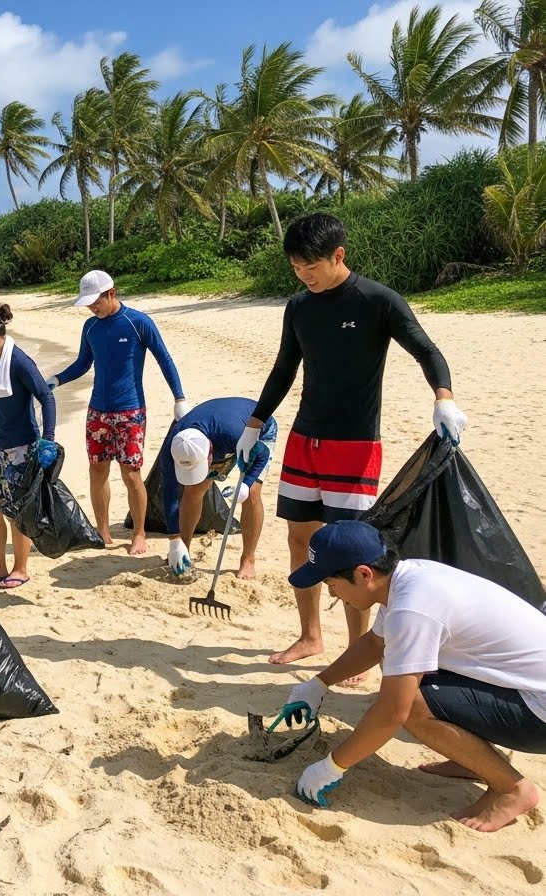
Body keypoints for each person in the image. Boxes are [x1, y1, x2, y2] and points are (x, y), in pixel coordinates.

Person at [236, 213, 467, 671]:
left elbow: (427, 350)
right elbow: (285, 368)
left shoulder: (377, 301)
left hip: (355, 444)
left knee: (349, 548)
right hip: (305, 438)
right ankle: (309, 637)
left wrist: (444, 397)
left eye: (311, 267)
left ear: (338, 256)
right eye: (296, 268)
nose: (304, 276)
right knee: (299, 536)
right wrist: (255, 421)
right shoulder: (299, 307)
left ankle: (354, 649)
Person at [276, 520, 546, 832]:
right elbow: (376, 643)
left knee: (413, 703)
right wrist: (319, 683)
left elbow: (393, 712)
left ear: (364, 574)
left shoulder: (411, 609)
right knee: (399, 666)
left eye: (332, 585)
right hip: (525, 686)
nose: (333, 594)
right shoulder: (408, 576)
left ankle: (512, 788)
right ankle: (472, 758)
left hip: (539, 712)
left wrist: (332, 766)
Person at [48, 270, 190, 556]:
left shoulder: (137, 322)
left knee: (131, 473)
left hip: (130, 411)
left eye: (95, 301)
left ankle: (139, 533)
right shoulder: (90, 327)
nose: (91, 307)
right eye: (87, 303)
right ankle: (103, 531)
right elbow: (82, 364)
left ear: (111, 293)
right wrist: (57, 380)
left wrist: (179, 398)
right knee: (97, 470)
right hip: (97, 411)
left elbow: (164, 358)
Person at [0, 303, 57, 590]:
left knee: (17, 511)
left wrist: (48, 440)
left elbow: (46, 397)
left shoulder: (19, 362)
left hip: (23, 447)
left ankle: (20, 568)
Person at [162, 397, 277, 580]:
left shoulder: (233, 435)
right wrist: (174, 540)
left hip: (257, 429)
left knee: (252, 493)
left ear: (210, 454)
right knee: (193, 490)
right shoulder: (172, 446)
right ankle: (184, 550)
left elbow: (262, 455)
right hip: (218, 430)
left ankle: (248, 559)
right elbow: (169, 494)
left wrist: (246, 485)